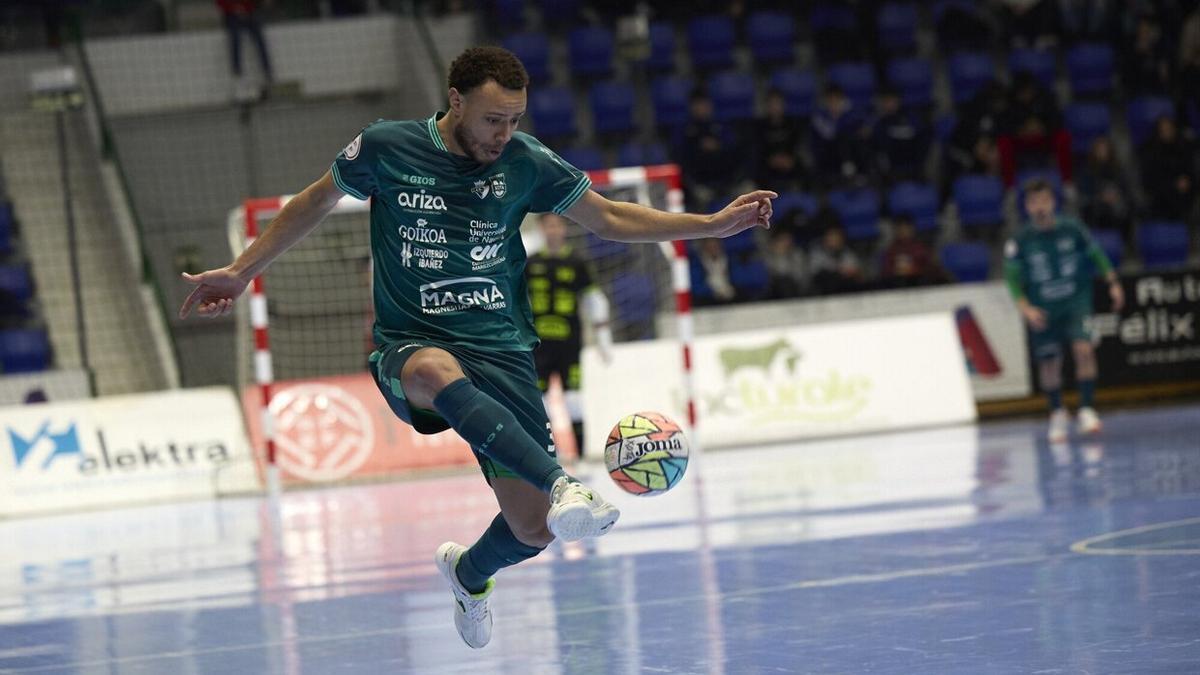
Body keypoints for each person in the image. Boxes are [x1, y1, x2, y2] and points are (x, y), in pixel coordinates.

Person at [177, 46, 774, 650]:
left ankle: (468, 574)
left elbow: (608, 218)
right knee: (435, 371)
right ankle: (565, 481)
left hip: (502, 347)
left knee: (534, 528)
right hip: (411, 341)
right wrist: (242, 270)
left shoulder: (525, 160)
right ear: (455, 101)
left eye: (515, 119)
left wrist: (710, 225)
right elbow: (314, 202)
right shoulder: (388, 147)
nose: (504, 133)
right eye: (494, 119)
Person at [1003, 178, 1124, 443]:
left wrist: (1113, 283)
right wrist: (1026, 308)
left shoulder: (1072, 228)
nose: (1040, 207)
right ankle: (1057, 412)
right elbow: (1011, 280)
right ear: (1027, 207)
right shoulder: (1021, 240)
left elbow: (1097, 255)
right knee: (1049, 364)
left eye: (1045, 200)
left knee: (1084, 350)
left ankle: (1087, 409)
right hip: (1043, 307)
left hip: (1076, 301)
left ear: (1054, 202)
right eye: (1034, 202)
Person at [525, 213, 613, 457]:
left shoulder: (576, 262)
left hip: (569, 343)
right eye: (548, 226)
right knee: (539, 402)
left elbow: (594, 299)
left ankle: (582, 456)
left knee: (573, 399)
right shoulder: (530, 263)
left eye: (556, 225)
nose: (552, 230)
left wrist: (603, 340)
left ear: (563, 228)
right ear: (541, 229)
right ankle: (551, 455)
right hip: (538, 345)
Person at [1138, 116, 1198, 222]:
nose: (1167, 133)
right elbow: (1149, 181)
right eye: (1163, 130)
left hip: (1184, 197)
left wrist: (1187, 182)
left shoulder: (1184, 148)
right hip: (1160, 199)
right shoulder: (1150, 152)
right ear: (1158, 132)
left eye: (1169, 129)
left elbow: (1191, 173)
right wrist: (1173, 185)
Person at [216, 0, 274, 98]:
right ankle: (237, 75)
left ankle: (266, 73)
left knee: (260, 40)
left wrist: (247, 8)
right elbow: (221, 3)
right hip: (231, 15)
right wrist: (234, 9)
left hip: (249, 13)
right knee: (235, 40)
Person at [880, 214, 937, 288]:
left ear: (912, 229)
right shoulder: (891, 250)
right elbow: (885, 272)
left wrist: (914, 270)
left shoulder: (921, 248)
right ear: (896, 230)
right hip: (897, 284)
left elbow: (930, 268)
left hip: (918, 284)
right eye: (900, 229)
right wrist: (896, 271)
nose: (903, 232)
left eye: (906, 228)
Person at [809, 225, 864, 295]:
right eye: (831, 238)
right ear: (825, 240)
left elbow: (855, 270)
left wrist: (848, 272)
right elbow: (815, 272)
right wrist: (838, 271)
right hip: (825, 287)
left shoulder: (848, 253)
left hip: (845, 286)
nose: (834, 241)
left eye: (836, 238)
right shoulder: (818, 253)